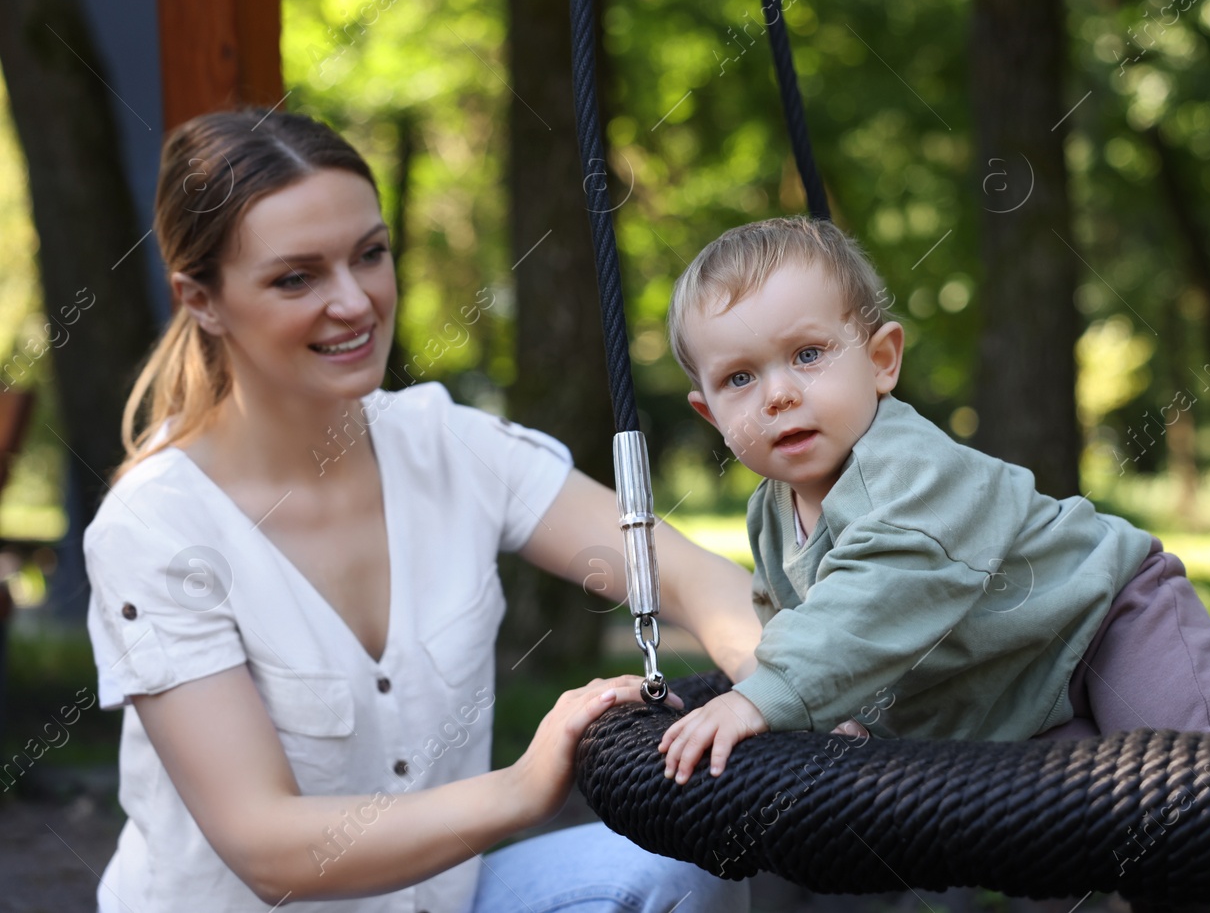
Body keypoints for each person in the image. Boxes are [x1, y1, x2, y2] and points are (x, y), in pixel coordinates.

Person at [83, 109, 760, 912]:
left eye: (370, 254)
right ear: (202, 299)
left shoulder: (451, 446)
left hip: (446, 901)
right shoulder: (155, 528)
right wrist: (521, 787)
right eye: (296, 277)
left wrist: (770, 688)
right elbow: (266, 846)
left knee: (696, 865)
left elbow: (690, 576)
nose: (355, 302)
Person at [655, 216, 1210, 784]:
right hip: (1022, 685)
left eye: (809, 354)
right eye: (740, 378)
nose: (780, 394)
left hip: (1100, 615)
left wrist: (769, 694)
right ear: (709, 412)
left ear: (882, 360)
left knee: (1186, 743)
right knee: (1085, 799)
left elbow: (878, 594)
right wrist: (834, 701)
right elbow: (793, 613)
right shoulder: (770, 509)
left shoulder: (904, 471)